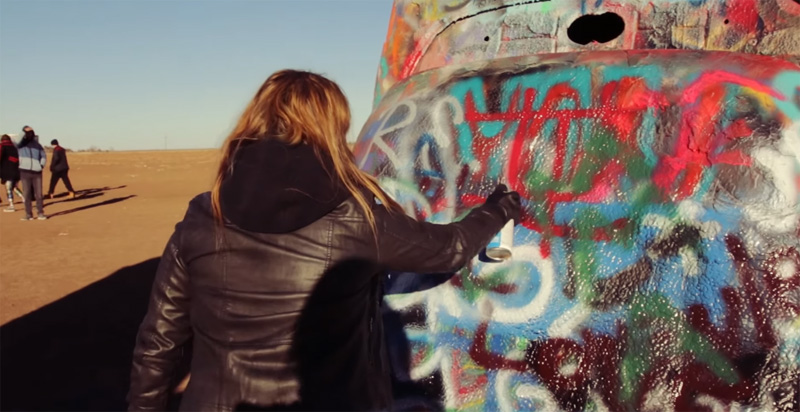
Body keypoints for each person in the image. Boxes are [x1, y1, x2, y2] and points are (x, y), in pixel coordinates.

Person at [127, 70, 521, 412]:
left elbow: (159, 341)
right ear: (332, 127)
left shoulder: (203, 212)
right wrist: (498, 209)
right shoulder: (354, 217)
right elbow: (448, 247)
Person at [17, 126, 47, 220]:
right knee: (27, 194)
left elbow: (43, 156)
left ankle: (40, 213)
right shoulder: (20, 144)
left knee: (38, 194)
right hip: (24, 171)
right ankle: (28, 214)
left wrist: (41, 165)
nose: (29, 134)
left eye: (31, 133)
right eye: (27, 133)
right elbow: (17, 139)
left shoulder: (37, 145)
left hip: (37, 172)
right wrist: (24, 129)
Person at [0, 134, 23, 212]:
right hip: (16, 171)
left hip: (6, 171)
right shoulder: (14, 147)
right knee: (14, 187)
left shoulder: (2, 146)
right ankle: (25, 199)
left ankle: (11, 205)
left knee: (9, 189)